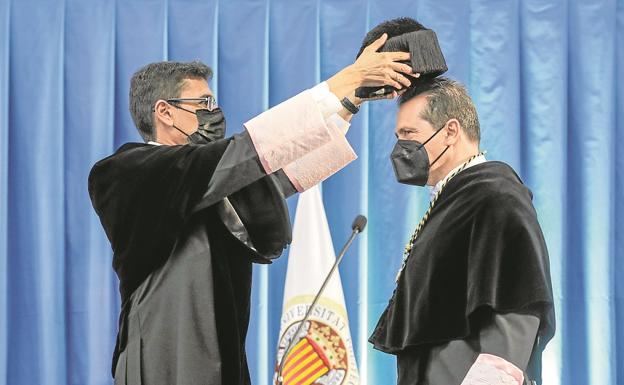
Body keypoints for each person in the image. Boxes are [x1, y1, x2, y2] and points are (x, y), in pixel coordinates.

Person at [88, 33, 419, 385]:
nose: (213, 114)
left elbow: (278, 175)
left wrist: (351, 101)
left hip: (219, 347)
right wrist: (346, 79)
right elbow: (247, 151)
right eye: (202, 103)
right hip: (167, 348)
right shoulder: (124, 171)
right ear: (164, 112)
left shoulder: (204, 179)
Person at [368, 75, 555, 385]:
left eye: (409, 133)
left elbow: (516, 311)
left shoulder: (496, 196)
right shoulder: (452, 201)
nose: (400, 148)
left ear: (450, 131)